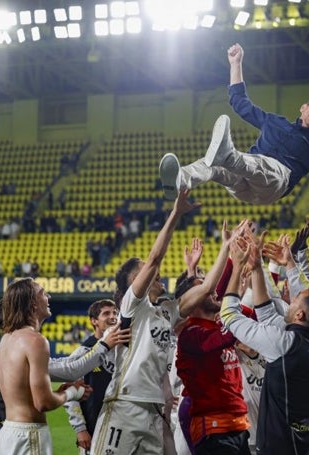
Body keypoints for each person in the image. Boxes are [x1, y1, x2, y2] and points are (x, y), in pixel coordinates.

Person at [159, 43, 309, 205]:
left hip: (275, 183)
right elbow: (239, 101)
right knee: (211, 166)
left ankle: (229, 155)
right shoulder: (273, 122)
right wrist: (236, 64)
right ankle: (181, 180)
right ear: (304, 107)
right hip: (244, 187)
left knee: (261, 165)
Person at [91, 190, 199, 455]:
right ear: (134, 282)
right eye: (146, 271)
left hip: (152, 409)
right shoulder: (132, 305)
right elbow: (154, 259)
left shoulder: (163, 312)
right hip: (125, 405)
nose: (157, 271)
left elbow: (201, 293)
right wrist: (175, 214)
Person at [220, 232, 309, 455]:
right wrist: (260, 268)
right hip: (307, 442)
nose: (290, 300)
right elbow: (267, 312)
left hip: (279, 445)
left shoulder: (283, 343)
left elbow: (229, 314)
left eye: (295, 300)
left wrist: (237, 268)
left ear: (299, 315)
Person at [174, 221, 252, 455]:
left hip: (238, 423)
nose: (214, 292)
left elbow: (246, 314)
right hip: (212, 426)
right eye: (204, 291)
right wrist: (235, 268)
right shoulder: (191, 334)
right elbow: (232, 331)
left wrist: (233, 254)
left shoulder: (214, 322)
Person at [0, 278, 92, 455]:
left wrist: (59, 391)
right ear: (33, 303)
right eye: (43, 293)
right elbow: (43, 403)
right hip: (28, 435)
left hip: (8, 433)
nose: (48, 296)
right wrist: (72, 393)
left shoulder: (7, 339)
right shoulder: (35, 341)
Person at [65, 299, 120, 454]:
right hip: (94, 428)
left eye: (115, 312)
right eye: (106, 313)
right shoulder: (84, 352)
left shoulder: (124, 350)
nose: (113, 316)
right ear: (94, 321)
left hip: (122, 427)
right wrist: (80, 429)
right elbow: (71, 393)